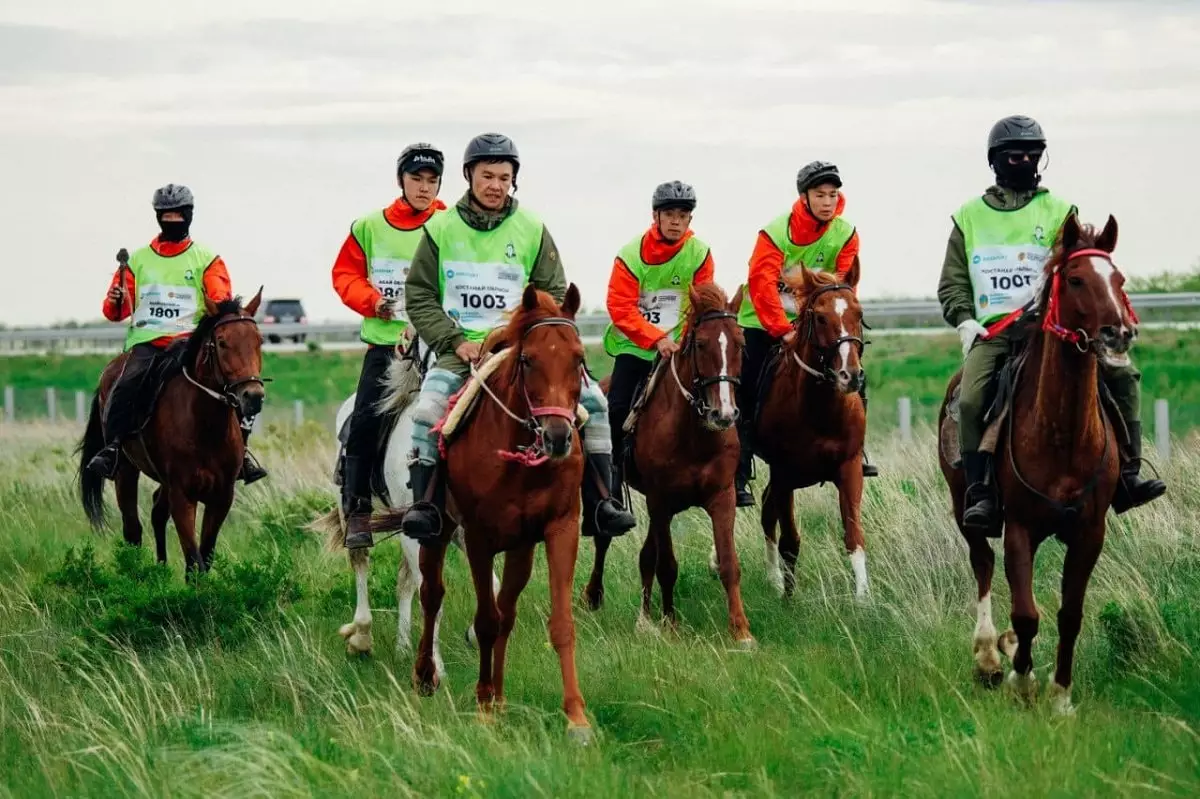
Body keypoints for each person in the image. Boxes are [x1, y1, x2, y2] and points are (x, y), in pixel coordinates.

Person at [392, 132, 636, 545]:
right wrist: (453, 341)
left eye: (504, 177)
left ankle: (602, 503)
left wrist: (522, 334)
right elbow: (419, 295)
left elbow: (554, 293)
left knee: (594, 403)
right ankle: (427, 507)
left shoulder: (532, 228)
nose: (495, 185)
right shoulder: (440, 228)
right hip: (462, 350)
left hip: (523, 348)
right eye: (487, 176)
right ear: (469, 176)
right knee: (428, 411)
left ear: (513, 180)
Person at [938, 114, 1166, 533]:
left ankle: (1129, 474)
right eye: (1014, 155)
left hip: (1053, 330)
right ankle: (982, 492)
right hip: (994, 332)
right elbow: (952, 283)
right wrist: (965, 320)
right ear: (996, 161)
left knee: (1124, 374)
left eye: (1032, 154)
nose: (1024, 161)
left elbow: (1079, 269)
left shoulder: (1061, 211)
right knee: (970, 400)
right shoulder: (968, 218)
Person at [87, 184, 267, 483]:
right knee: (124, 384)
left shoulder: (207, 259)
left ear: (189, 216)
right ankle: (114, 448)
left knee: (234, 384)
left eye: (177, 216)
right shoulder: (138, 260)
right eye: (166, 217)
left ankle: (242, 452)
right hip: (148, 343)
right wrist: (116, 299)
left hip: (189, 343)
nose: (172, 222)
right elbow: (114, 311)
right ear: (158, 217)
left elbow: (220, 301)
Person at [734, 160, 876, 507]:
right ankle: (740, 469)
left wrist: (816, 325)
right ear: (804, 197)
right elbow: (762, 282)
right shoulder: (775, 233)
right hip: (762, 322)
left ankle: (858, 447)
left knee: (853, 366)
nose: (827, 201)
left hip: (817, 324)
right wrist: (782, 329)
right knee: (745, 386)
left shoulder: (845, 233)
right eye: (819, 194)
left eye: (832, 194)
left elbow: (843, 285)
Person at [332, 143, 448, 548]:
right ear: (401, 180)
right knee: (364, 419)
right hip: (387, 345)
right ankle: (358, 511)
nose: (425, 187)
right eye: (417, 179)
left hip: (439, 343)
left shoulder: (451, 224)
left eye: (432, 180)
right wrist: (373, 302)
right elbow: (345, 275)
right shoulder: (369, 226)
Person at [603, 181, 715, 500]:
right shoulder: (630, 255)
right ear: (656, 216)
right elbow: (620, 307)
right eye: (669, 214)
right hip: (635, 347)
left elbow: (703, 301)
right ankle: (612, 481)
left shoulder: (700, 253)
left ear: (690, 220)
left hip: (682, 348)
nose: (676, 221)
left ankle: (732, 469)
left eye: (683, 215)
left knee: (723, 390)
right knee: (617, 407)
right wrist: (657, 340)